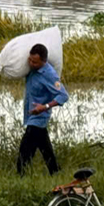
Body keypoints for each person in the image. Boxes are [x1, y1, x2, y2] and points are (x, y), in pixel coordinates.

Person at [17, 43, 69, 176]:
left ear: (43, 61)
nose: (31, 63)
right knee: (45, 148)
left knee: (25, 151)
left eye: (35, 62)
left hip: (39, 118)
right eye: (30, 60)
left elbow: (63, 95)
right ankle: (56, 172)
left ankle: (20, 177)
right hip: (31, 116)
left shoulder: (49, 75)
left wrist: (44, 107)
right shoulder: (31, 71)